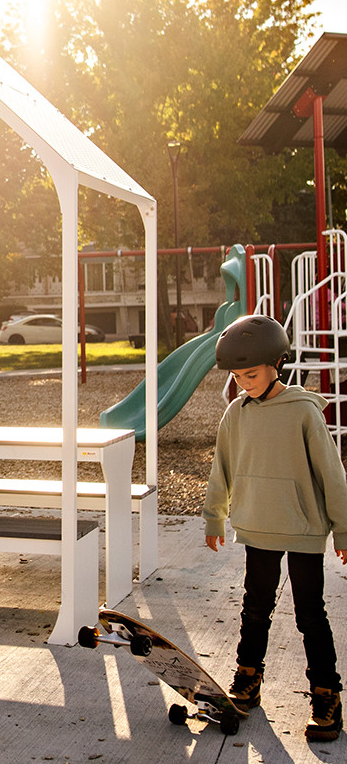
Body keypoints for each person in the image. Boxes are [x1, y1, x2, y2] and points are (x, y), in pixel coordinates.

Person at [203, 314, 347, 742]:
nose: (243, 382)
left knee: (310, 615)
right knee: (255, 609)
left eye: (251, 373)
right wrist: (215, 516)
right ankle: (248, 679)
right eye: (237, 376)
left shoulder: (303, 411)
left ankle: (326, 694)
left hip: (301, 528)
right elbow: (221, 468)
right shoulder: (236, 413)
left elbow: (332, 475)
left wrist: (344, 530)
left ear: (276, 364)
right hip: (257, 528)